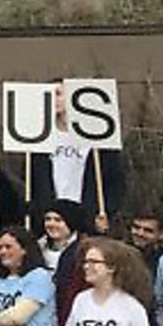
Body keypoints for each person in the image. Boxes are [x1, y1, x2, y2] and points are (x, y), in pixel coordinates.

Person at [27, 82, 127, 232]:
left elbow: (115, 181)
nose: (54, 100)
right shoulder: (39, 139)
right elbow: (31, 182)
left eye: (59, 94)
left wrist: (106, 212)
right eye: (49, 95)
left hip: (86, 217)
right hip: (51, 218)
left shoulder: (97, 140)